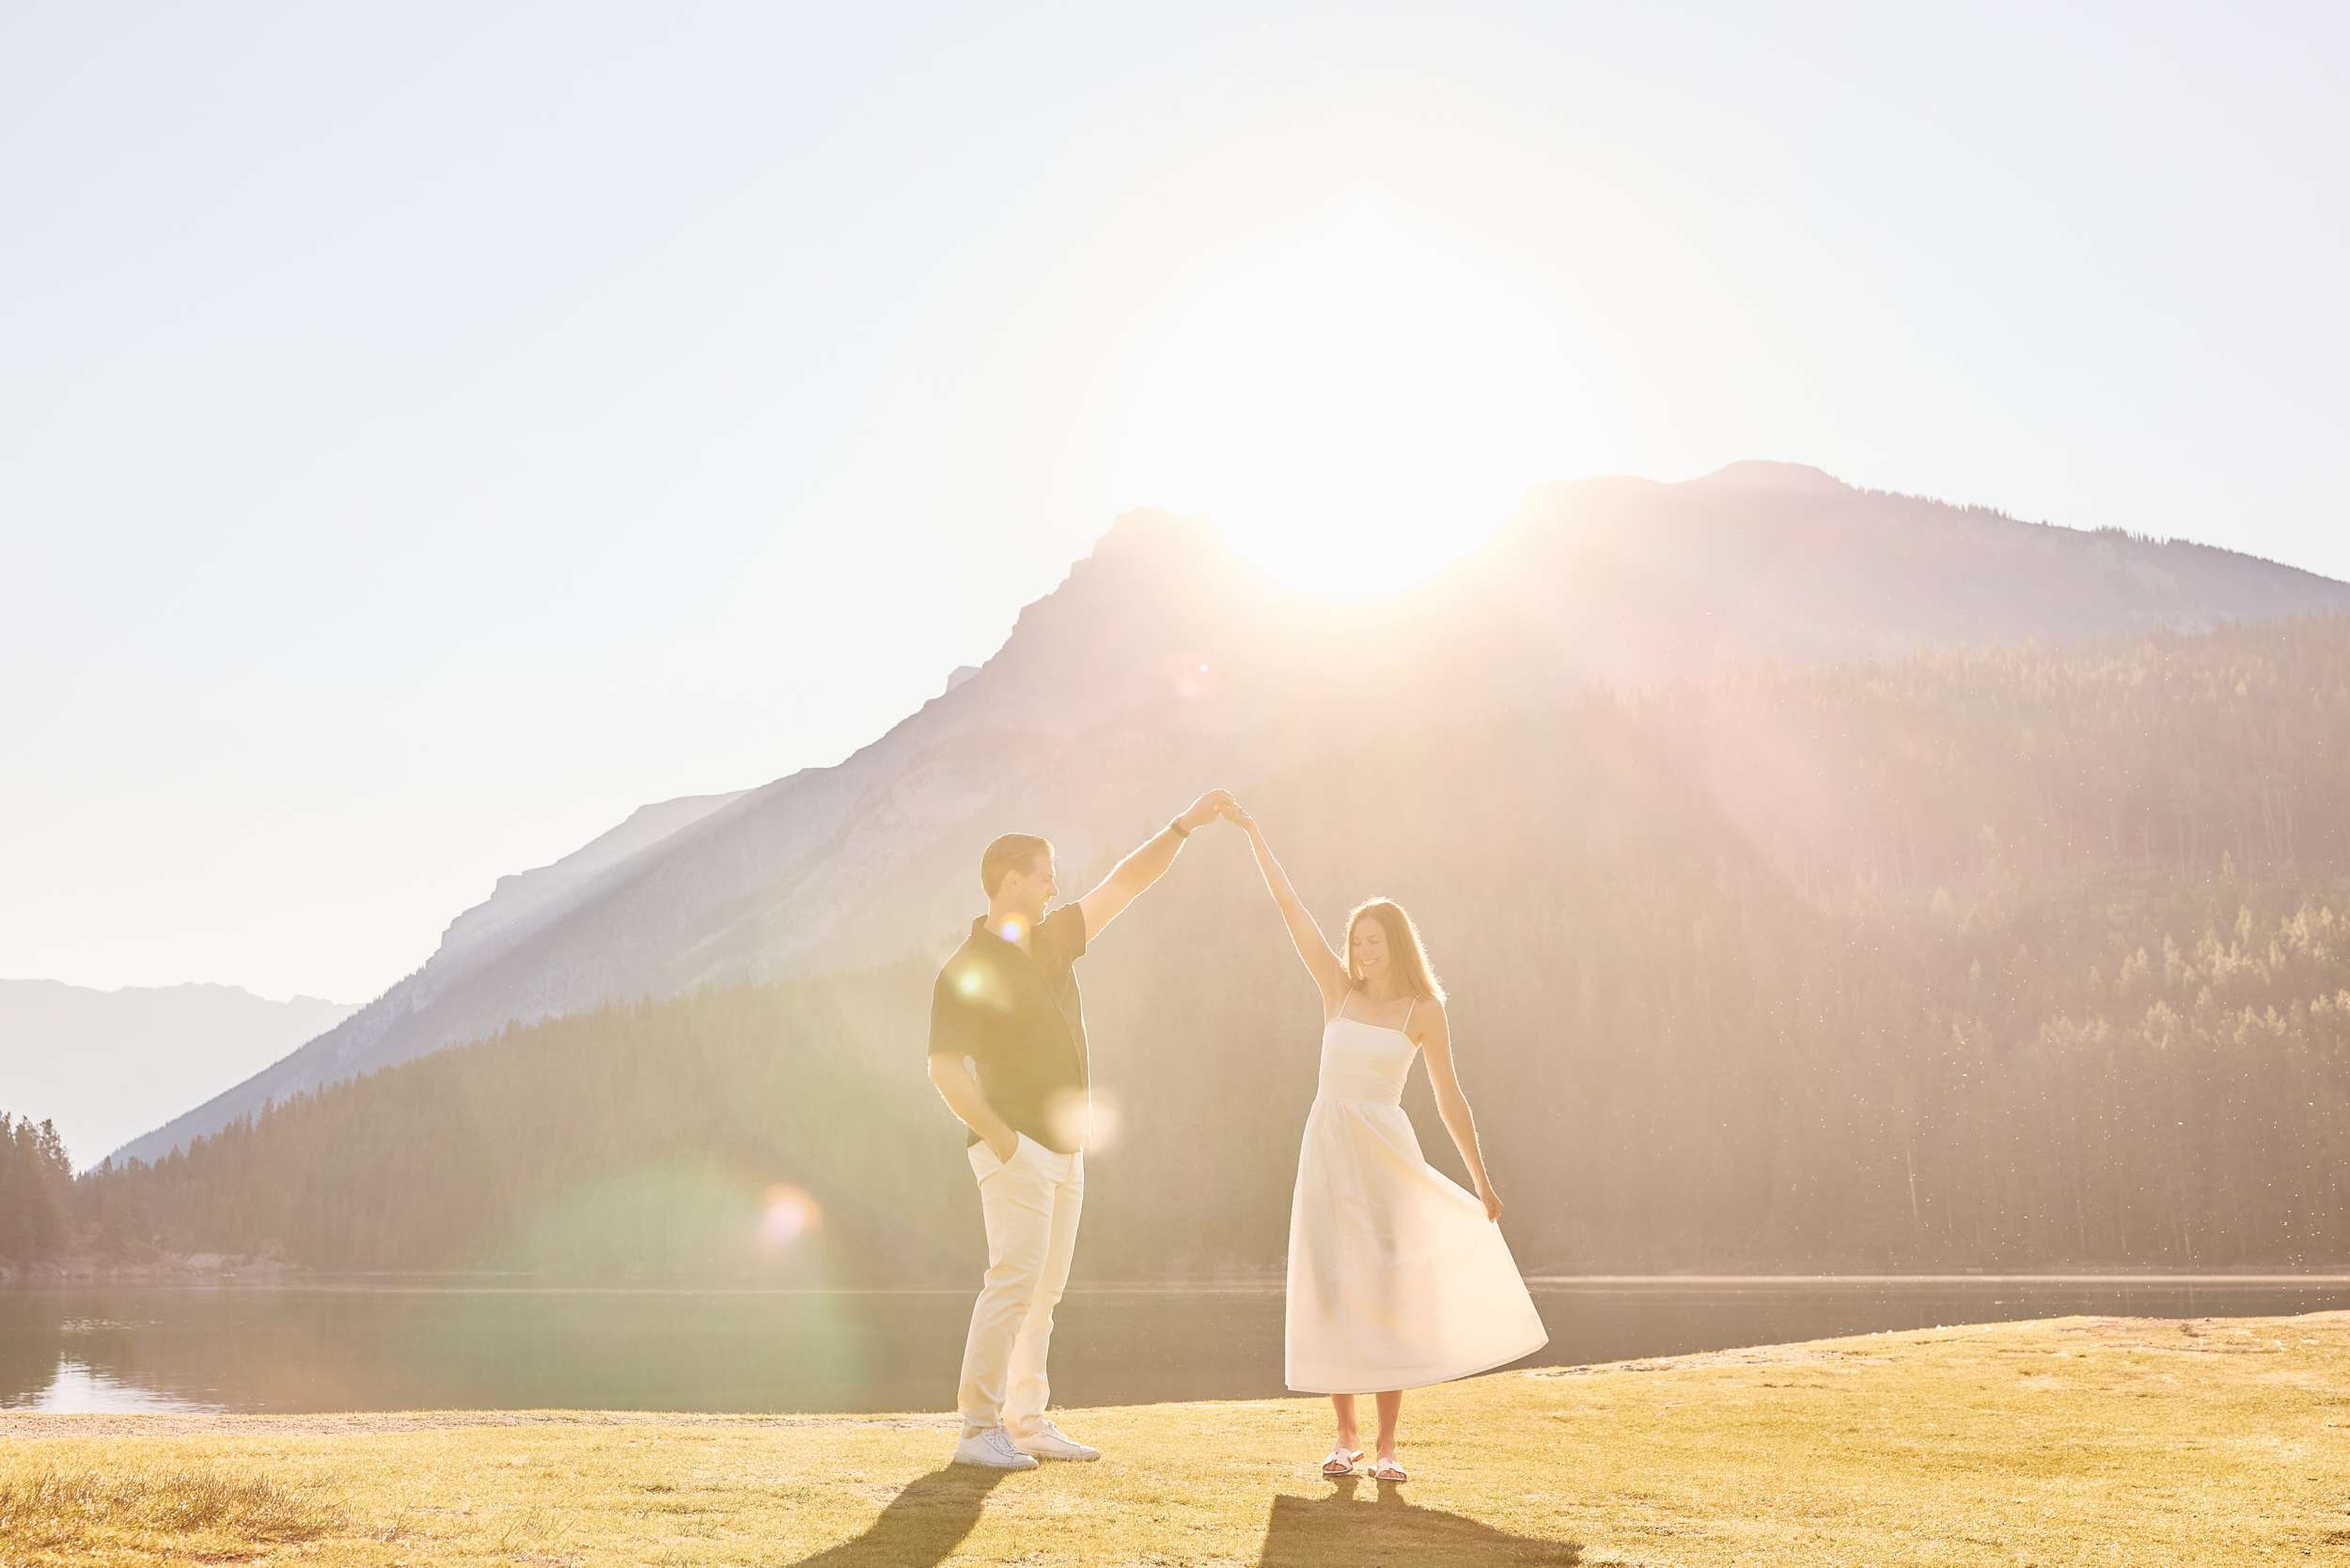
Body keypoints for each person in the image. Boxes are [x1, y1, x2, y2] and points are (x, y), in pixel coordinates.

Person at [1224, 800, 1547, 1482]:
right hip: (1327, 1147)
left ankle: (1388, 1447)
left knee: (1388, 1291)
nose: (1362, 951)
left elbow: (1449, 1098)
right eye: (1356, 941)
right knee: (1334, 1289)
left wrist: (1482, 1180)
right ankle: (1343, 1437)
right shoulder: (1335, 990)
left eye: (1374, 941)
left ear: (1397, 946)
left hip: (1386, 1155)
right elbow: (1289, 908)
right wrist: (1255, 833)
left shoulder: (1423, 1010)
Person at [927, 791, 1235, 1470]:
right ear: (1010, 881)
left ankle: (1026, 1422)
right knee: (1012, 1283)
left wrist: (1183, 825)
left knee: (1044, 1293)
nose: (1053, 887)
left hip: (1065, 1154)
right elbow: (945, 1069)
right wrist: (1004, 1142)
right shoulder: (966, 968)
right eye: (1043, 876)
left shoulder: (1054, 938)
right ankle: (977, 1430)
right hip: (1017, 1152)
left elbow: (1124, 883)